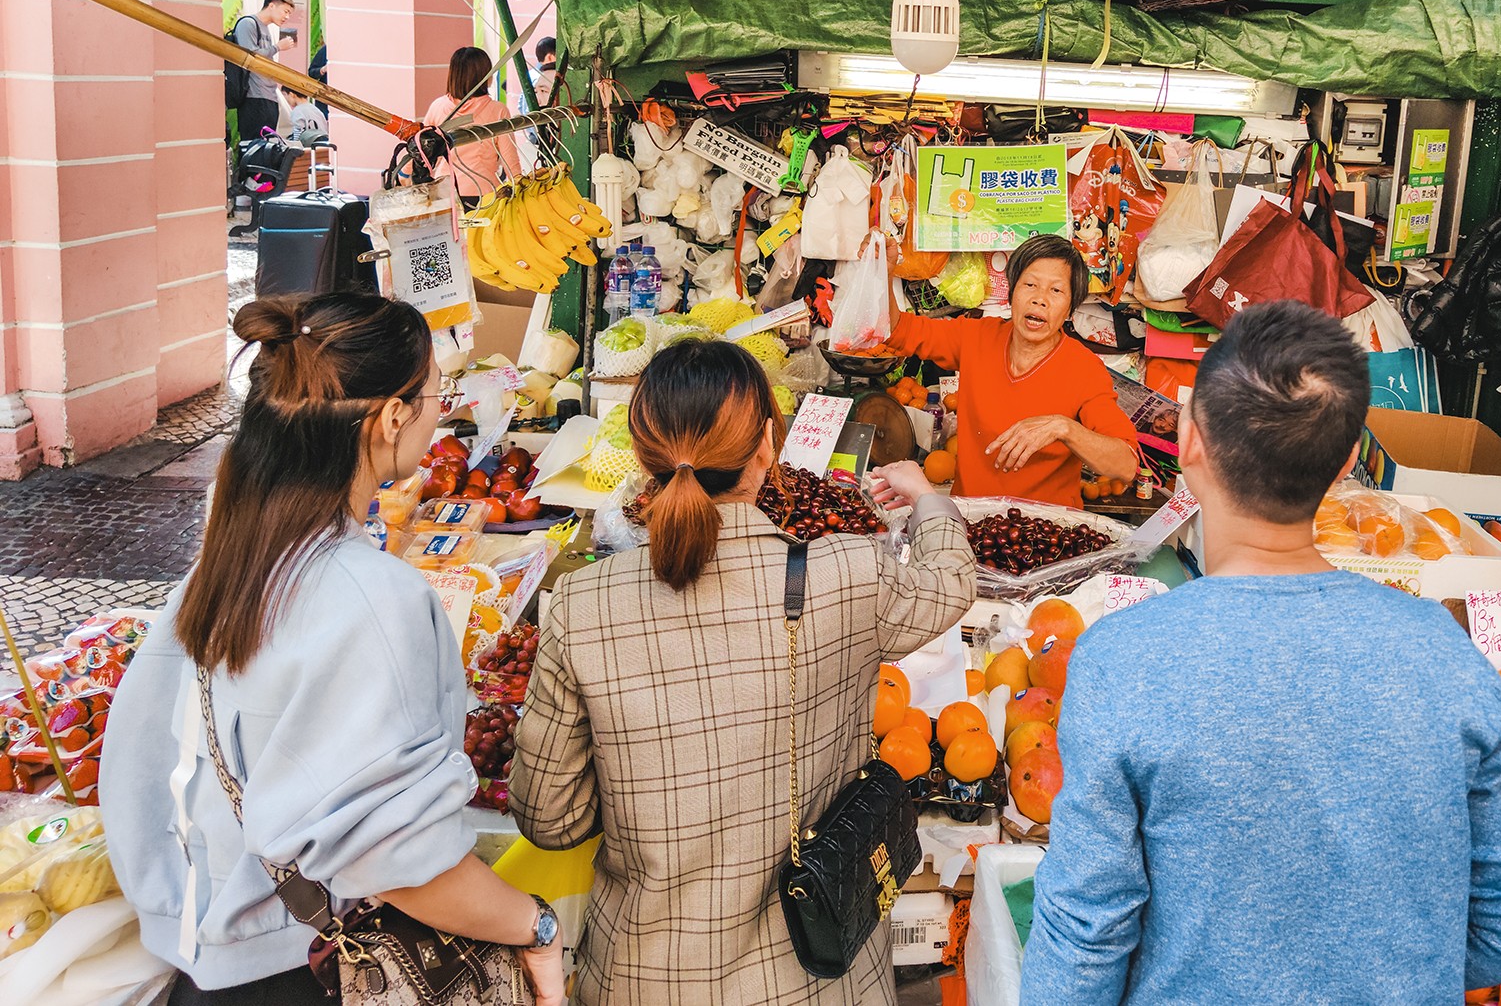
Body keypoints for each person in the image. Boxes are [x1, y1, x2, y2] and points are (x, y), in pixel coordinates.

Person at [1019, 300, 1501, 1005]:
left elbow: (1084, 940)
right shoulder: (1445, 651)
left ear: (1189, 441)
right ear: (1346, 465)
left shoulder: (1123, 661)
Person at [100, 294, 565, 1006]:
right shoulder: (371, 595)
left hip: (208, 965)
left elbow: (140, 767)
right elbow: (400, 862)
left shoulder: (226, 565)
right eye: (436, 395)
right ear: (392, 418)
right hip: (318, 972)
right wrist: (534, 926)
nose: (440, 413)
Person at [511, 339, 976, 1005]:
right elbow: (951, 582)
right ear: (766, 445)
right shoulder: (848, 573)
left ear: (643, 456)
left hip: (650, 979)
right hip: (821, 978)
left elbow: (549, 818)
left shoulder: (580, 605)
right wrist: (927, 497)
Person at [883, 233, 1138, 508]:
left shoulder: (1084, 370)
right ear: (1012, 293)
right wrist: (882, 273)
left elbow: (1125, 465)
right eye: (1030, 284)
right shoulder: (975, 337)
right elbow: (897, 330)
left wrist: (1063, 428)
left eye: (1056, 291)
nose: (1039, 299)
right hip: (971, 519)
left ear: (1069, 310)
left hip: (1048, 528)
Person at [425, 45, 520, 200]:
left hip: (445, 192)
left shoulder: (438, 107)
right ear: (485, 76)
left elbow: (421, 149)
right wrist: (520, 185)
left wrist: (405, 174)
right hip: (484, 192)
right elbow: (510, 159)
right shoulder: (498, 110)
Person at [232, 0, 297, 144]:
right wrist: (277, 47)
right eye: (285, 11)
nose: (287, 17)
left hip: (269, 96)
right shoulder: (248, 23)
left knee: (267, 147)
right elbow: (249, 57)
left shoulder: (266, 29)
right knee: (254, 147)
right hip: (253, 97)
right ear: (271, 5)